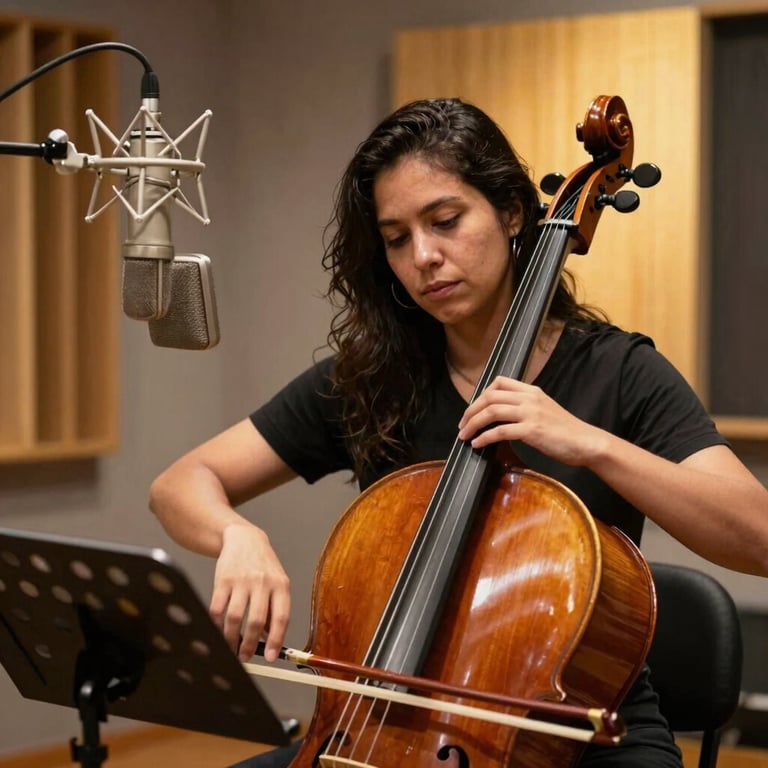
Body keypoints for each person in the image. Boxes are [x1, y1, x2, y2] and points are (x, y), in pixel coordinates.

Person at [149, 98, 768, 768]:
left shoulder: (619, 373)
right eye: (395, 238)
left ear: (509, 213)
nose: (424, 257)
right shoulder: (373, 380)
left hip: (574, 732)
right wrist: (237, 535)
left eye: (445, 221)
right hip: (375, 721)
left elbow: (758, 537)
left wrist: (593, 443)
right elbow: (180, 484)